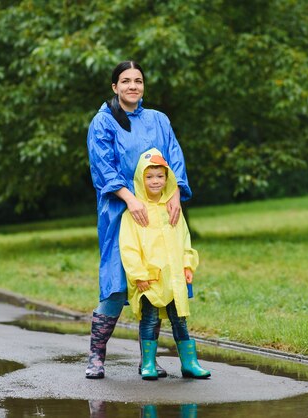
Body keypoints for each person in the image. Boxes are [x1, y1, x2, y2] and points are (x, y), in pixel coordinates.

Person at [85, 61, 192, 379]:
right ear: (114, 87)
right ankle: (96, 356)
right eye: (126, 81)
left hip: (157, 214)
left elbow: (173, 156)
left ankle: (149, 359)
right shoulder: (103, 122)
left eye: (139, 81)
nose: (133, 86)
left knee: (156, 281)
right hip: (120, 211)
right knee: (117, 284)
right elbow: (103, 165)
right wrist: (131, 199)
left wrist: (175, 192)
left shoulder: (158, 120)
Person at [119, 148, 210, 380]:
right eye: (149, 177)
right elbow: (128, 247)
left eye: (160, 176)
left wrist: (188, 264)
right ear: (141, 178)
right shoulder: (134, 213)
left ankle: (189, 363)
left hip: (175, 276)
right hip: (150, 278)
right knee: (149, 320)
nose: (155, 181)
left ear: (167, 178)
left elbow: (184, 238)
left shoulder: (173, 208)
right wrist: (139, 274)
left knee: (180, 319)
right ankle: (148, 363)